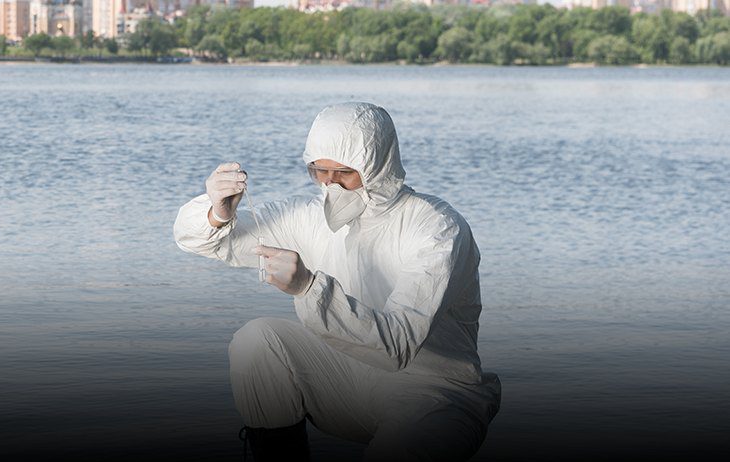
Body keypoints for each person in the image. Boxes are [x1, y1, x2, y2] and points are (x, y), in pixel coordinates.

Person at [173, 102, 501, 461]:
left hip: (436, 393)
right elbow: (213, 242)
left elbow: (397, 346)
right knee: (258, 342)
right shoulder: (309, 218)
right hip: (347, 380)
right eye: (318, 170)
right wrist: (218, 213)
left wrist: (309, 289)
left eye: (343, 172)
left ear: (377, 166)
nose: (329, 183)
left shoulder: (437, 228)